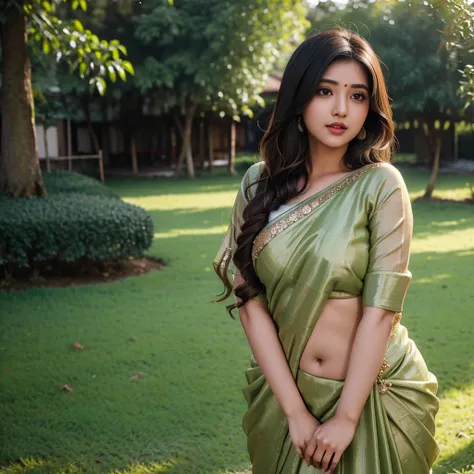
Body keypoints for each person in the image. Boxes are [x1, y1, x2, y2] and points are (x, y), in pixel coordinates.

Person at [212, 28, 439, 474]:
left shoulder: (380, 184)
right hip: (286, 399)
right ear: (299, 99)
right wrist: (295, 412)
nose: (341, 109)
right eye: (325, 91)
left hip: (375, 396)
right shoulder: (258, 185)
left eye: (357, 96)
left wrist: (346, 417)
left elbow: (381, 311)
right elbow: (249, 301)